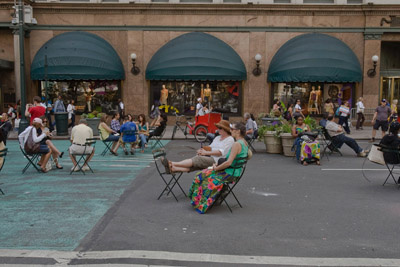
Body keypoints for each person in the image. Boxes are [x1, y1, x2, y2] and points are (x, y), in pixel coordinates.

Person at [188, 122, 249, 214]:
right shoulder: (244, 142)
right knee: (202, 173)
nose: (230, 130)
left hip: (229, 173)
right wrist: (216, 166)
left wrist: (216, 168)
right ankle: (199, 201)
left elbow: (228, 162)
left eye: (232, 129)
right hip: (234, 172)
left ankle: (199, 203)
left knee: (201, 176)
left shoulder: (236, 144)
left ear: (238, 131)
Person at [164, 120, 234, 173]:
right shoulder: (218, 137)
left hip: (218, 161)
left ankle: (172, 163)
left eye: (220, 128)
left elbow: (220, 152)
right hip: (211, 158)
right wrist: (202, 150)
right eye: (218, 128)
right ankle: (174, 168)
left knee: (198, 159)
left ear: (225, 129)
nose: (218, 130)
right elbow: (210, 148)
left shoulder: (230, 139)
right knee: (196, 164)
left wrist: (205, 153)